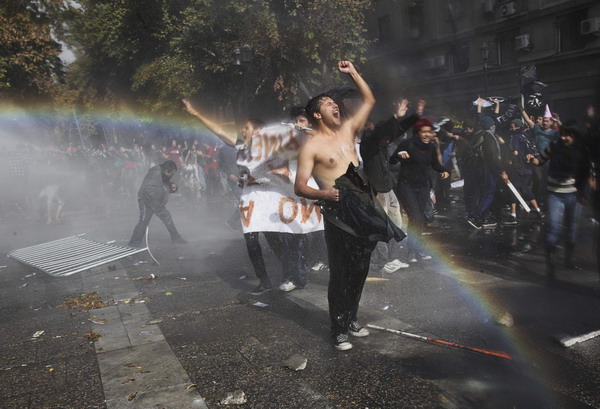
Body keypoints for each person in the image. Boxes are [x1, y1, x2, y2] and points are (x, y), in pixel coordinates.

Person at [295, 61, 405, 351]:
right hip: (338, 211)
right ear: (317, 113)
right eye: (328, 103)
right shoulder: (311, 146)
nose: (336, 106)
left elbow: (368, 99)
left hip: (364, 205)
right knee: (341, 271)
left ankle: (352, 318)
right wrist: (324, 194)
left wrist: (353, 73)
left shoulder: (347, 132)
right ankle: (338, 329)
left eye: (335, 102)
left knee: (360, 268)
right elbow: (300, 186)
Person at [183, 100, 314, 295]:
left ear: (258, 132)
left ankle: (291, 274)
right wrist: (195, 114)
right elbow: (219, 130)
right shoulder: (240, 148)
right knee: (251, 240)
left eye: (246, 128)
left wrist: (304, 129)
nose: (242, 130)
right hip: (250, 200)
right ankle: (264, 280)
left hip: (269, 199)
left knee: (275, 240)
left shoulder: (272, 148)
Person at [361, 97, 422, 273]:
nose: (387, 140)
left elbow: (395, 132)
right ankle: (383, 261)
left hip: (387, 188)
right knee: (381, 226)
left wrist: (414, 116)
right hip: (377, 190)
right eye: (371, 126)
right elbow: (384, 132)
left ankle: (393, 258)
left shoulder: (380, 144)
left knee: (396, 224)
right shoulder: (368, 144)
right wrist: (395, 115)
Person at [390, 118, 449, 261]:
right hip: (406, 186)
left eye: (429, 132)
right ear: (417, 133)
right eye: (424, 132)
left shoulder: (430, 147)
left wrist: (443, 170)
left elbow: (435, 164)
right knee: (415, 217)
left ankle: (416, 251)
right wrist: (399, 155)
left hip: (423, 186)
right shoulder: (407, 144)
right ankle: (411, 252)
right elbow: (392, 161)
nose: (428, 135)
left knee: (419, 218)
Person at [532, 120, 584, 277]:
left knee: (572, 228)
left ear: (575, 136)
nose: (563, 138)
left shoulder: (582, 150)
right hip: (555, 194)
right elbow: (540, 160)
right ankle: (551, 264)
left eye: (568, 135)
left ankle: (569, 258)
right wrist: (531, 158)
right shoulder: (554, 147)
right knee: (553, 228)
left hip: (574, 195)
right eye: (562, 134)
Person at [128, 160, 187, 247]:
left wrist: (172, 187)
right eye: (171, 174)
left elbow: (161, 186)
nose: (172, 175)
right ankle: (133, 244)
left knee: (167, 218)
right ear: (166, 171)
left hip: (156, 202)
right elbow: (148, 190)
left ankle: (176, 238)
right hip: (146, 200)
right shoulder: (155, 173)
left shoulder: (164, 173)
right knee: (143, 221)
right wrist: (156, 205)